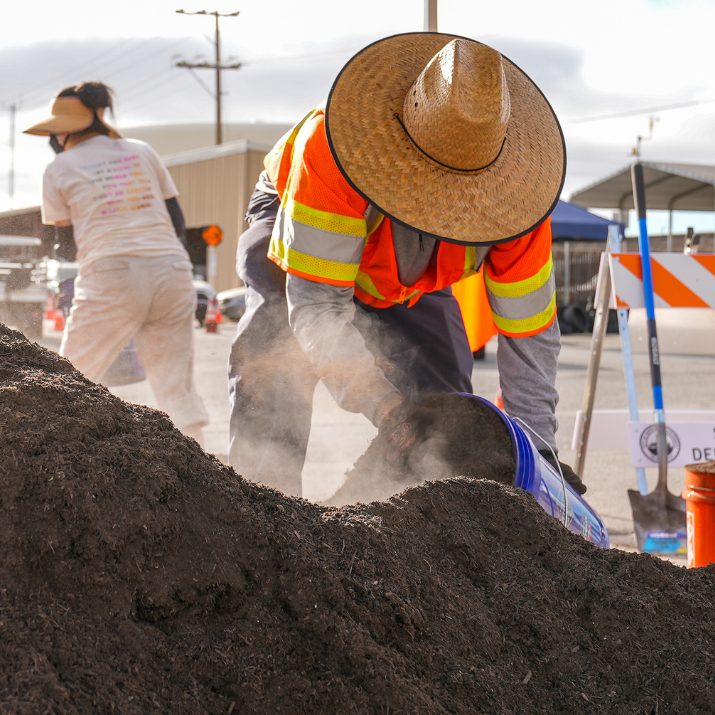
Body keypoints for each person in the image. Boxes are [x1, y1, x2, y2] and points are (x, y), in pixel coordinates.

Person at [228, 33, 585, 498]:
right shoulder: (333, 150)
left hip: (402, 276)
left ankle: (429, 535)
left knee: (450, 405)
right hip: (297, 226)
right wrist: (388, 409)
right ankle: (263, 514)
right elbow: (317, 306)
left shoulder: (521, 206)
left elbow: (529, 338)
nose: (448, 205)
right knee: (273, 356)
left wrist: (539, 452)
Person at [24, 82, 208, 446]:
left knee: (72, 378)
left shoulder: (58, 168)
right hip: (172, 271)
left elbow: (65, 242)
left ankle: (56, 459)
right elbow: (176, 219)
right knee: (176, 386)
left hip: (112, 273)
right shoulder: (141, 151)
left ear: (63, 129)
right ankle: (210, 475)